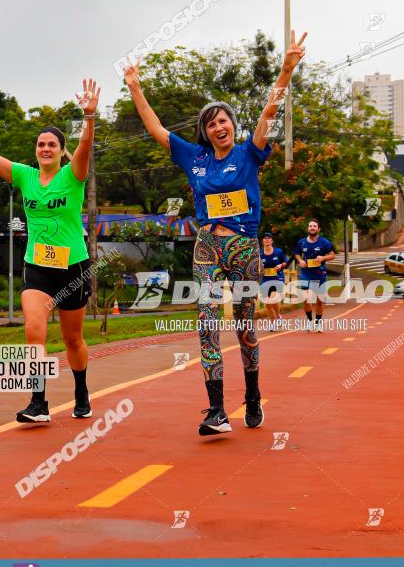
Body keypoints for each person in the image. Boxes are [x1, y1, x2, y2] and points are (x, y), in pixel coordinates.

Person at [124, 31, 307, 435]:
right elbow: (155, 129)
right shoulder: (196, 158)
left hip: (244, 248)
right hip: (208, 245)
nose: (217, 126)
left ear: (231, 125)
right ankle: (216, 410)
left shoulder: (247, 152)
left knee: (244, 326)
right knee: (207, 322)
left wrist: (286, 71)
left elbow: (267, 117)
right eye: (210, 123)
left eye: (222, 120)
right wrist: (136, 88)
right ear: (204, 133)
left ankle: (254, 396)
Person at [0, 78, 100, 423]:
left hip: (73, 268)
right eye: (41, 144)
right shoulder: (25, 176)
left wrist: (88, 118)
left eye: (52, 145)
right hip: (37, 267)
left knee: (73, 339)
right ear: (36, 150)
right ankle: (38, 402)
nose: (45, 149)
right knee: (34, 329)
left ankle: (81, 392)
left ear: (61, 151)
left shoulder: (74, 175)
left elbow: (85, 149)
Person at [294, 219, 336, 332]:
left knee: (319, 300)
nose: (312, 227)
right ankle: (309, 320)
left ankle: (317, 323)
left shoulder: (324, 242)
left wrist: (323, 258)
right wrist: (300, 261)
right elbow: (297, 254)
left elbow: (332, 255)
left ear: (318, 229)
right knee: (306, 298)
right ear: (308, 228)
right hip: (306, 273)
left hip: (319, 273)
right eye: (310, 226)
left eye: (314, 226)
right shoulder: (302, 242)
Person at [259, 232, 289, 330]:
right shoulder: (259, 253)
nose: (267, 240)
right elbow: (256, 266)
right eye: (265, 238)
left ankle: (278, 315)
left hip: (277, 278)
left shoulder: (278, 252)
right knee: (267, 304)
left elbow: (285, 262)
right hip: (265, 279)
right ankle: (274, 322)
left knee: (273, 298)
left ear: (272, 241)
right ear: (263, 241)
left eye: (269, 238)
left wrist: (281, 265)